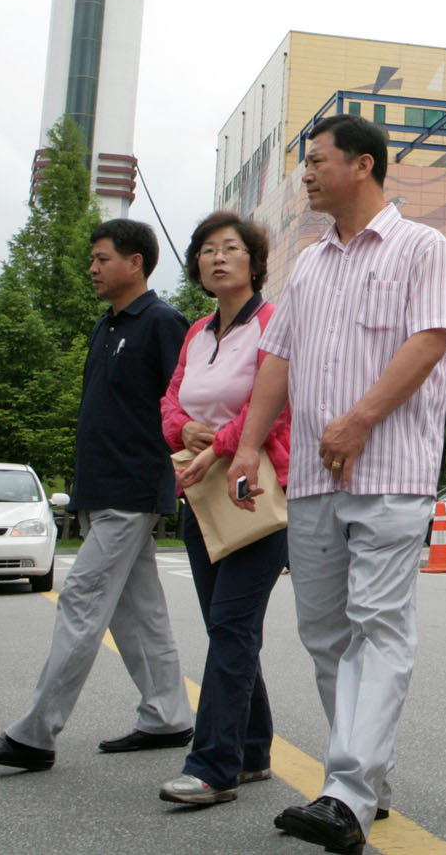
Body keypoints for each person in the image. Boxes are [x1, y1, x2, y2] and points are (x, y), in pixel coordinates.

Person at [226, 115, 446, 854]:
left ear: (363, 165)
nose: (306, 173)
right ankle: (368, 777)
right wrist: (248, 447)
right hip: (311, 480)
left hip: (390, 474)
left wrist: (360, 420)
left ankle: (348, 791)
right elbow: (278, 359)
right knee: (324, 632)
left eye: (318, 160)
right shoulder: (308, 264)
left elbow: (430, 340)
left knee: (378, 624)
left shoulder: (422, 246)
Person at [0, 220, 192, 771]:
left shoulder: (163, 322)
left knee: (82, 599)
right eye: (92, 259)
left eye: (101, 258)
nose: (92, 268)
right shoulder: (104, 325)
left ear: (135, 263)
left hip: (132, 489)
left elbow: (184, 404)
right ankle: (167, 715)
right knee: (138, 613)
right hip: (100, 489)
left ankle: (35, 734)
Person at [159, 211, 291, 805]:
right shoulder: (195, 332)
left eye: (230, 248)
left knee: (233, 626)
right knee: (226, 627)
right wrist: (184, 429)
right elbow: (170, 401)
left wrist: (219, 445)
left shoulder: (273, 323)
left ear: (254, 262)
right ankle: (254, 750)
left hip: (254, 488)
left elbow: (277, 403)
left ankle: (214, 765)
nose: (217, 257)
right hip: (201, 493)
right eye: (207, 250)